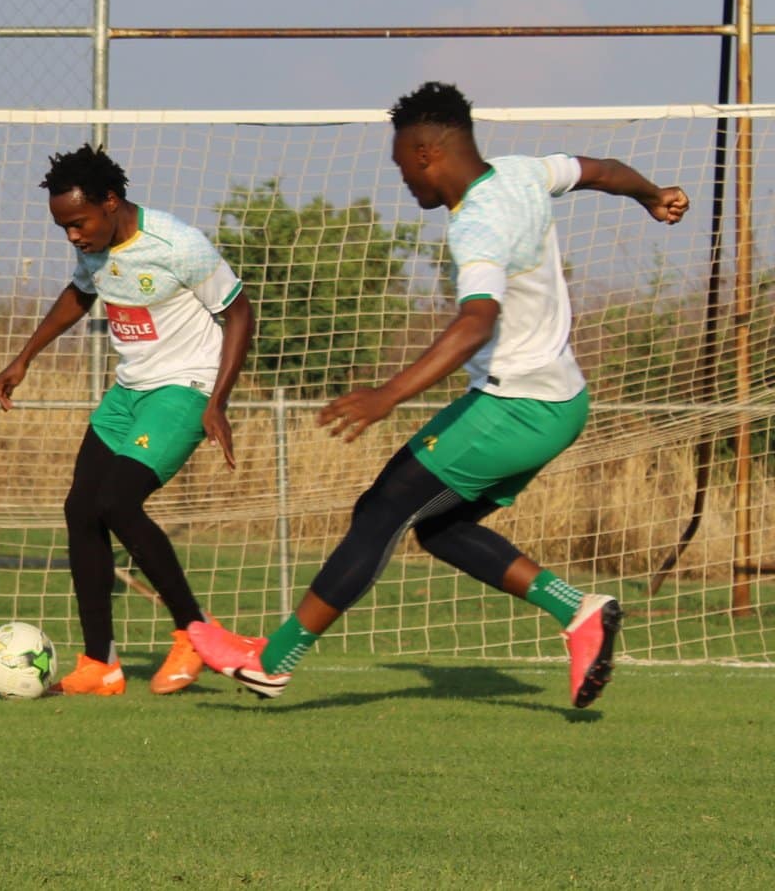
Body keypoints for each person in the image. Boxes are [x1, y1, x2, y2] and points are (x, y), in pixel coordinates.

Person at [189, 82, 688, 707]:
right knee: (441, 527)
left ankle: (272, 661)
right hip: (560, 402)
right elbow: (603, 171)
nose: (403, 180)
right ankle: (580, 612)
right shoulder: (524, 173)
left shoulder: (476, 224)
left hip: (516, 408)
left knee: (382, 511)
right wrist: (653, 195)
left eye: (402, 166)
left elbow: (477, 318)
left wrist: (388, 395)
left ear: (426, 152)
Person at [0, 144, 254, 696]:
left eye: (78, 223)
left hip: (185, 388)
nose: (73, 236)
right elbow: (80, 293)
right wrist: (25, 356)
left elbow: (238, 311)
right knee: (80, 508)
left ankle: (193, 632)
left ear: (111, 202)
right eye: (63, 227)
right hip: (128, 392)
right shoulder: (94, 246)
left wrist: (218, 401)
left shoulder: (176, 244)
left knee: (117, 502)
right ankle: (100, 665)